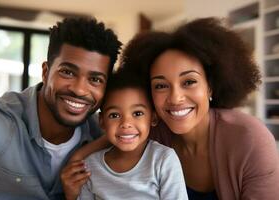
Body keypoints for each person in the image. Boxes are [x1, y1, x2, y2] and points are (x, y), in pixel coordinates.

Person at [119, 17, 279, 199]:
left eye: (189, 82)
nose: (175, 98)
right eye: (161, 85)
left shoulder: (249, 138)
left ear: (210, 86)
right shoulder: (152, 134)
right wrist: (80, 156)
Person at [0, 16, 121, 200]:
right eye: (67, 72)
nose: (79, 90)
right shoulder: (0, 121)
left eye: (95, 80)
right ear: (46, 72)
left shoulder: (103, 137)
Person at [77, 70, 188, 200]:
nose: (126, 124)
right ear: (102, 121)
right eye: (114, 115)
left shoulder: (163, 159)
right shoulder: (90, 166)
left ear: (153, 118)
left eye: (137, 113)